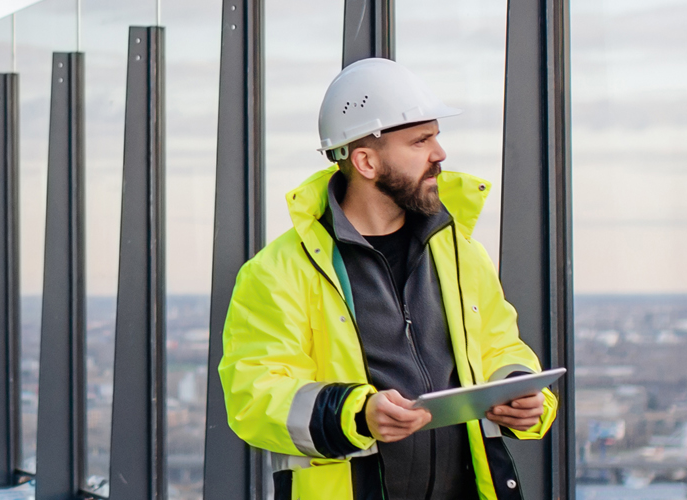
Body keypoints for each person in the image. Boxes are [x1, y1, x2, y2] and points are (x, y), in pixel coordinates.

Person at [217, 58, 557, 500]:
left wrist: (520, 390)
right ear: (366, 161)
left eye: (436, 136)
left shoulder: (459, 253)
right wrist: (357, 414)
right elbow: (255, 395)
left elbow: (499, 346)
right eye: (420, 141)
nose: (439, 154)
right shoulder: (277, 272)